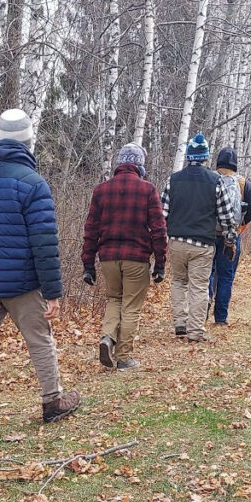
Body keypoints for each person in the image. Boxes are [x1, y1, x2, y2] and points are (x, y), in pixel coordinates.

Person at [0, 108, 81, 449]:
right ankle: (52, 402)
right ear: (27, 142)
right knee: (40, 342)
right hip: (23, 284)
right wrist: (52, 291)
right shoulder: (33, 184)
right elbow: (44, 242)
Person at [82, 142, 168, 370]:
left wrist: (87, 265)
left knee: (114, 300)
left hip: (108, 258)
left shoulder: (101, 190)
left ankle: (107, 337)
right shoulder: (148, 190)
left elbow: (91, 230)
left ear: (119, 163)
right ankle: (123, 358)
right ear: (140, 165)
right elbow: (159, 230)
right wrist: (160, 264)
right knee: (130, 307)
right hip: (136, 259)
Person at [161, 134, 237, 342]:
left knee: (178, 282)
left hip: (176, 241)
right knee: (199, 286)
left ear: (187, 156)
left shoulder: (173, 180)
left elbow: (162, 214)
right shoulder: (216, 181)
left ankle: (180, 324)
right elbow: (227, 216)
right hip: (203, 243)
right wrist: (230, 239)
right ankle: (195, 331)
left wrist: (161, 240)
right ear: (206, 157)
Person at [208, 148, 251, 325]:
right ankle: (221, 318)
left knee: (208, 273)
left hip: (209, 234)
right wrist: (240, 226)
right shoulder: (242, 183)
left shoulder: (211, 179)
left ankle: (202, 311)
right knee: (226, 276)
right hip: (232, 235)